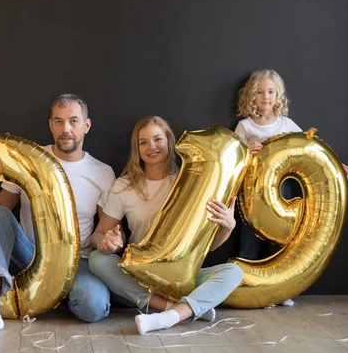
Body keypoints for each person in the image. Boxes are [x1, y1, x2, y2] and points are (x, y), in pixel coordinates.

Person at [0, 94, 116, 340]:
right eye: (59, 122)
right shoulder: (28, 160)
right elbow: (0, 204)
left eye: (73, 121)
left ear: (87, 125)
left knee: (93, 306)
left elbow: (100, 231)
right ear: (50, 125)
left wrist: (107, 241)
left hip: (75, 262)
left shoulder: (103, 172)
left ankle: (52, 298)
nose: (66, 129)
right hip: (29, 255)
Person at [88, 116, 243, 334]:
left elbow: (207, 247)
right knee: (97, 260)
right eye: (143, 142)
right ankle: (178, 309)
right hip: (138, 275)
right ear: (137, 148)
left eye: (158, 139)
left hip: (180, 273)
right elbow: (98, 235)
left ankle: (172, 316)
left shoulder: (188, 183)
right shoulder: (124, 187)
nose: (151, 146)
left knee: (233, 272)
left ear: (169, 141)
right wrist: (105, 242)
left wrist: (228, 226)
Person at [234, 69, 348, 306]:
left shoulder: (286, 123)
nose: (265, 97)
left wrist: (337, 164)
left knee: (278, 242)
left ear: (278, 96)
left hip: (280, 194)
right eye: (259, 92)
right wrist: (247, 150)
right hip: (251, 199)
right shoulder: (244, 127)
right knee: (248, 244)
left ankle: (279, 290)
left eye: (271, 92)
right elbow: (232, 159)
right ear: (250, 96)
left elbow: (312, 147)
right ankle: (244, 290)